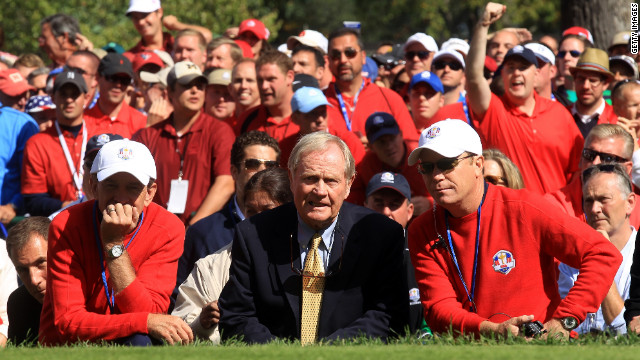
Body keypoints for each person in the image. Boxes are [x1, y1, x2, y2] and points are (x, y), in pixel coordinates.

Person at [407, 119, 621, 337]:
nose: (436, 176)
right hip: (470, 348)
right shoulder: (421, 230)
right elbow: (439, 309)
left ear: (478, 164)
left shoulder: (524, 208)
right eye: (426, 167)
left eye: (446, 164)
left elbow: (603, 254)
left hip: (540, 347)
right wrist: (492, 330)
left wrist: (563, 321)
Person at [218, 132, 408, 344]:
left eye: (331, 180)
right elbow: (237, 317)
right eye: (310, 178)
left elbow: (389, 316)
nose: (320, 191)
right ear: (291, 179)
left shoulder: (382, 235)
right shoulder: (252, 234)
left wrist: (327, 353)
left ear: (349, 184)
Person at [39, 139, 193, 346]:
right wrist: (112, 242)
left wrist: (113, 246)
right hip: (71, 348)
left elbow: (150, 314)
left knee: (140, 340)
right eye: (110, 185)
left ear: (149, 193)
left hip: (134, 339)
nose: (120, 198)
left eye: (132, 187)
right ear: (94, 186)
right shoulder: (65, 224)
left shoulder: (168, 227)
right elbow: (67, 323)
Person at [466, 2, 582, 194]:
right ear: (502, 75)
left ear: (536, 74)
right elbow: (473, 77)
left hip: (555, 217)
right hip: (509, 216)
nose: (516, 73)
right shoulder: (494, 110)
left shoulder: (559, 114)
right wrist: (483, 25)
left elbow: (577, 171)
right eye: (510, 68)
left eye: (523, 67)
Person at [172, 167, 292, 343]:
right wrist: (201, 322)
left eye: (268, 211)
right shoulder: (211, 266)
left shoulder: (309, 258)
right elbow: (179, 329)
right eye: (251, 211)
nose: (258, 221)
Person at [173, 130, 280, 304]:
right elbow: (181, 296)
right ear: (234, 172)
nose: (262, 171)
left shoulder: (291, 227)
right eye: (252, 164)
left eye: (270, 165)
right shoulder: (203, 232)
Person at [135, 61, 235, 225]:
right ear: (170, 93)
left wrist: (193, 228)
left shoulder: (220, 131)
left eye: (200, 86)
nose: (195, 90)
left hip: (202, 231)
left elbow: (226, 183)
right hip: (155, 229)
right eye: (187, 85)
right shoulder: (148, 135)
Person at [557, 163, 636, 335]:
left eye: (604, 199)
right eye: (589, 201)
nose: (594, 209)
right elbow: (564, 327)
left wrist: (601, 263)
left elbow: (627, 333)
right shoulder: (571, 258)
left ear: (629, 203)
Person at [324, 28, 418, 147]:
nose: (343, 60)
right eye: (335, 54)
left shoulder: (390, 99)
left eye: (350, 52)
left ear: (363, 57)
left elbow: (411, 149)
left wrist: (380, 148)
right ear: (329, 60)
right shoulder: (318, 104)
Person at [22, 69, 92, 216]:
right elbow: (33, 200)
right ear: (53, 98)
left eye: (75, 94)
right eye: (63, 94)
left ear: (86, 98)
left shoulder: (99, 135)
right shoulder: (37, 143)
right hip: (57, 223)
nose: (69, 100)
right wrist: (69, 206)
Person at [363, 172, 426, 334]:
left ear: (410, 211)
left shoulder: (423, 254)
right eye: (378, 203)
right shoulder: (349, 253)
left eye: (394, 204)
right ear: (365, 207)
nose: (385, 212)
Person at [544, 124, 640, 229]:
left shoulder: (638, 210)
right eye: (589, 155)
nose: (595, 163)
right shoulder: (554, 206)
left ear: (627, 168)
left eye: (608, 158)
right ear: (580, 160)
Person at [348, 112, 430, 216]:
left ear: (401, 135)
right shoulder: (369, 164)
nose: (389, 146)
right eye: (382, 142)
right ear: (371, 146)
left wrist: (430, 203)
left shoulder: (421, 156)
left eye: (392, 138)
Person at [280, 86, 365, 167]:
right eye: (312, 113)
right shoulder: (286, 148)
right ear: (295, 118)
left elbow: (358, 179)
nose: (320, 119)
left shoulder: (348, 142)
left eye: (323, 112)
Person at [5, 216, 50, 345]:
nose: (34, 280)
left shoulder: (92, 291)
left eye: (40, 263)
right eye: (23, 270)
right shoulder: (19, 304)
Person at [237, 50, 299, 142]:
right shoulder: (247, 120)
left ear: (290, 77)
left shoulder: (311, 116)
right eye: (260, 80)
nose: (264, 86)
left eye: (271, 79)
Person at [0, 80, 39, 226]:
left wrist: (13, 205)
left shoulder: (24, 123)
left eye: (25, 94)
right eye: (15, 96)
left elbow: (30, 178)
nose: (23, 101)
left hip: (10, 221)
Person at [84, 53, 147, 138]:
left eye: (124, 80)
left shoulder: (141, 123)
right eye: (113, 78)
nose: (118, 85)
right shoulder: (82, 121)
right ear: (98, 77)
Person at [125, 0, 212, 55]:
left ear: (159, 12)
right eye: (135, 17)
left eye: (144, 15)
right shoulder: (130, 56)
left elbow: (206, 36)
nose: (140, 22)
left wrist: (176, 25)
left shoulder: (178, 46)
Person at [569, 48, 617, 138]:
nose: (585, 86)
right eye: (581, 79)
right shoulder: (561, 116)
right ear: (574, 80)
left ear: (605, 84)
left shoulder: (616, 120)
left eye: (593, 80)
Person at [228, 59, 260, 129]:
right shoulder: (224, 125)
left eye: (250, 80)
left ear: (261, 86)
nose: (243, 86)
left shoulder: (268, 123)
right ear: (230, 88)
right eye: (238, 81)